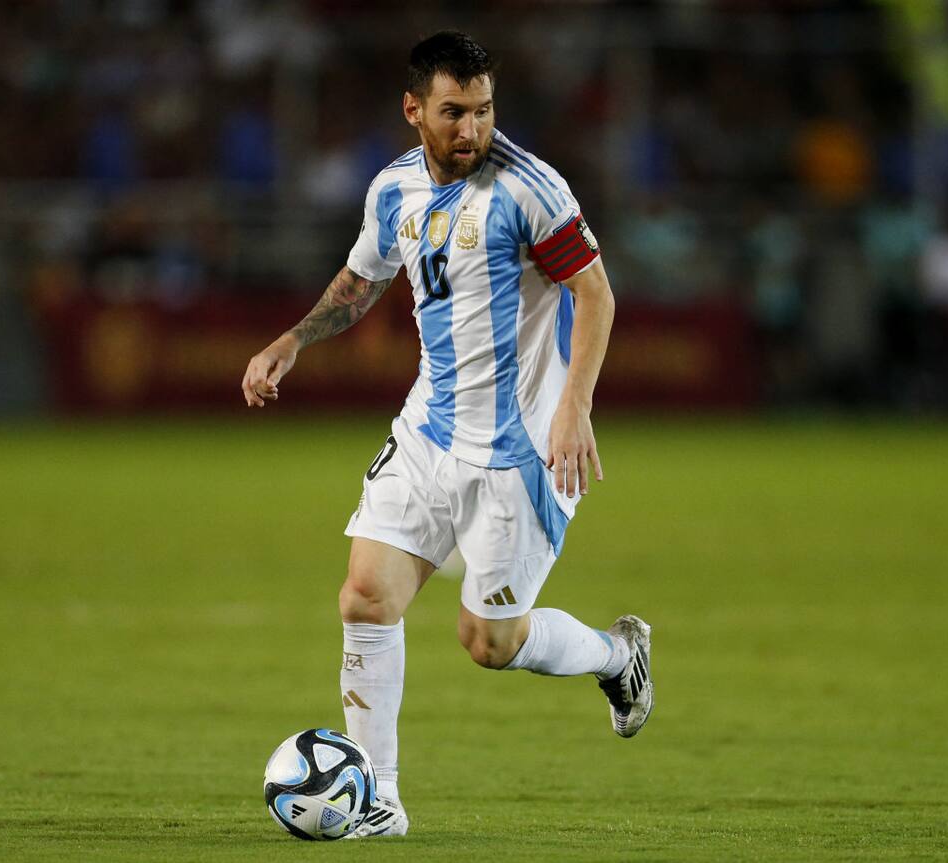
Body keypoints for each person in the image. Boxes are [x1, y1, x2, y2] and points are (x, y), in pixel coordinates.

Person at [242, 31, 652, 838]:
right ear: (414, 111)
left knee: (488, 641)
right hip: (428, 435)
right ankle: (381, 802)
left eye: (485, 110)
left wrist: (575, 404)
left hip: (521, 453)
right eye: (454, 112)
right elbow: (364, 279)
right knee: (365, 594)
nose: (472, 129)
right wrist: (292, 338)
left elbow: (595, 294)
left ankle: (618, 655)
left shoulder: (531, 189)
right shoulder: (392, 189)